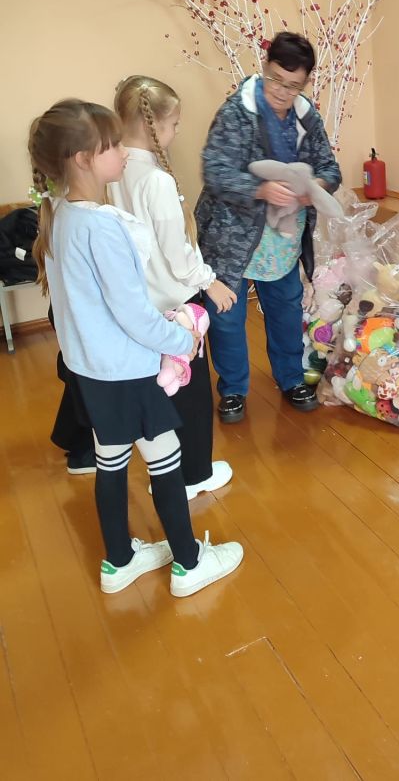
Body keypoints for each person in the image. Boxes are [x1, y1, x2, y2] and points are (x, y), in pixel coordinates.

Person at [29, 99, 243, 596]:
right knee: (165, 459)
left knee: (111, 459)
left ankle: (119, 561)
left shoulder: (59, 213)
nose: (123, 152)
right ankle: (189, 564)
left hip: (91, 371)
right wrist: (183, 339)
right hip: (127, 371)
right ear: (83, 159)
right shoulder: (102, 226)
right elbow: (133, 313)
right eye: (111, 146)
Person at [195, 31, 342, 423]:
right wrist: (259, 189)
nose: (281, 91)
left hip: (283, 237)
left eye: (293, 85)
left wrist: (315, 188)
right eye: (276, 79)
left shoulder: (306, 116)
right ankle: (233, 389)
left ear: (305, 83)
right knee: (227, 317)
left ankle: (291, 378)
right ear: (265, 67)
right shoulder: (237, 112)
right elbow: (214, 171)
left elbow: (330, 168)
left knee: (285, 311)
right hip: (232, 236)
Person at [110, 75, 237, 500]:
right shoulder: (156, 180)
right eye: (175, 124)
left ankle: (165, 472)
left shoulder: (111, 169)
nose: (177, 131)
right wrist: (210, 281)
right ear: (155, 126)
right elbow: (177, 252)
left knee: (160, 390)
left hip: (138, 305)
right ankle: (193, 475)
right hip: (175, 303)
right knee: (191, 392)